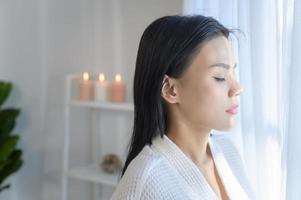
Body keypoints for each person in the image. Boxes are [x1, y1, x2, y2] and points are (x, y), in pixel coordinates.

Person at [110, 15, 256, 200]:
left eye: (233, 72)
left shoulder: (228, 151)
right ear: (171, 89)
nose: (237, 88)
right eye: (220, 76)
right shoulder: (147, 180)